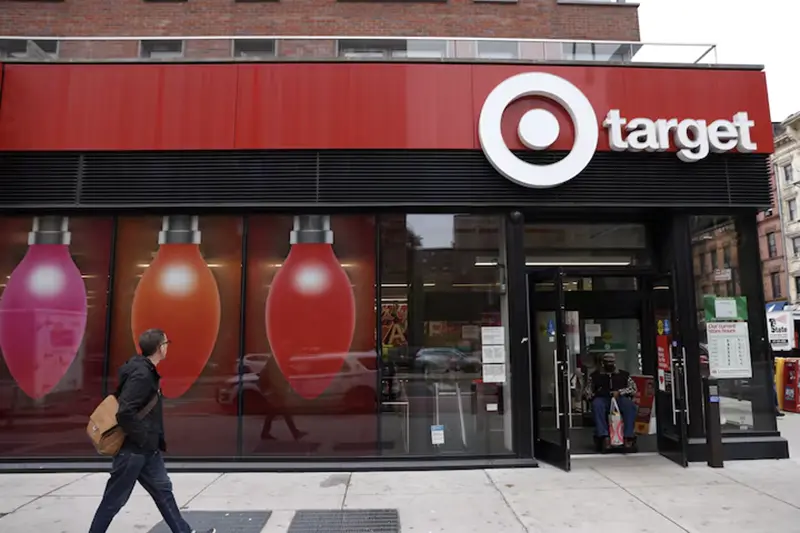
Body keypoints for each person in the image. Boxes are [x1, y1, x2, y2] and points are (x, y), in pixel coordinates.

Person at [89, 329, 215, 533]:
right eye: (166, 343)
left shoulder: (144, 370)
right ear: (160, 348)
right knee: (113, 501)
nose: (167, 346)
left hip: (147, 450)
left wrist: (149, 443)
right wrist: (144, 438)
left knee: (164, 492)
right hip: (133, 451)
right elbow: (125, 412)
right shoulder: (141, 375)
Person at [583, 353, 639, 451]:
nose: (609, 364)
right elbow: (587, 391)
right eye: (607, 362)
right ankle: (604, 436)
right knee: (597, 405)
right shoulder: (595, 376)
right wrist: (594, 395)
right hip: (602, 398)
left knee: (630, 406)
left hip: (620, 398)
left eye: (611, 362)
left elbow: (633, 389)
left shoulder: (624, 375)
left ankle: (628, 436)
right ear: (603, 363)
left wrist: (620, 392)